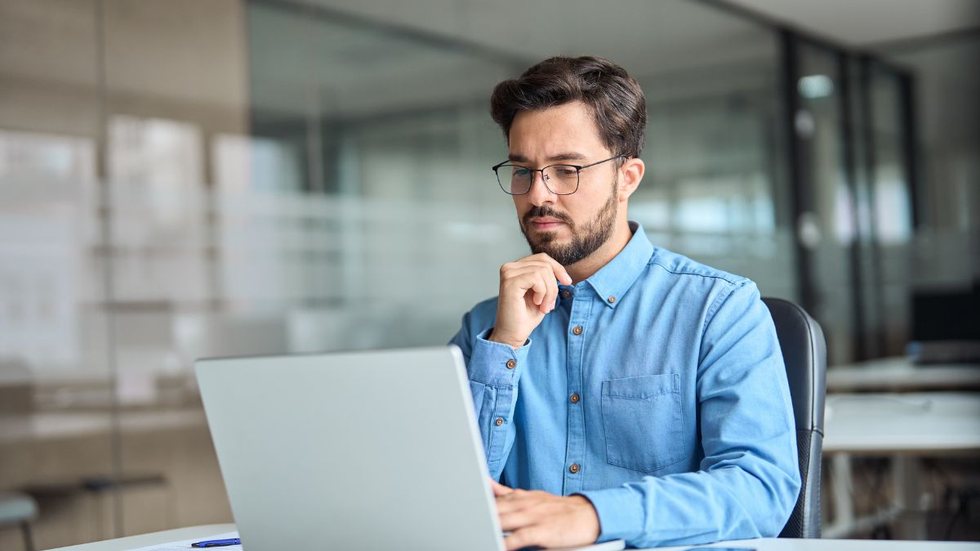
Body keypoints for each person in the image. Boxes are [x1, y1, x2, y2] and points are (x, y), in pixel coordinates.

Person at [449, 56, 801, 550]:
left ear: (627, 177)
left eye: (566, 169)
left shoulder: (719, 309)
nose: (538, 194)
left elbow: (760, 490)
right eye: (523, 171)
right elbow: (450, 493)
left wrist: (592, 516)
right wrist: (504, 345)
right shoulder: (485, 326)